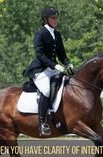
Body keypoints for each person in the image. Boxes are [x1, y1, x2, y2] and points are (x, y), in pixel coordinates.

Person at [23, 6, 74, 136]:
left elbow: (61, 54)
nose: (55, 20)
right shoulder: (40, 33)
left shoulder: (57, 34)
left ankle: (58, 116)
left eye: (56, 18)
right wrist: (55, 65)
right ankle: (42, 123)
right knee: (46, 90)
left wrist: (68, 63)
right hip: (40, 70)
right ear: (46, 19)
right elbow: (40, 55)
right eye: (53, 18)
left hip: (52, 69)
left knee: (67, 84)